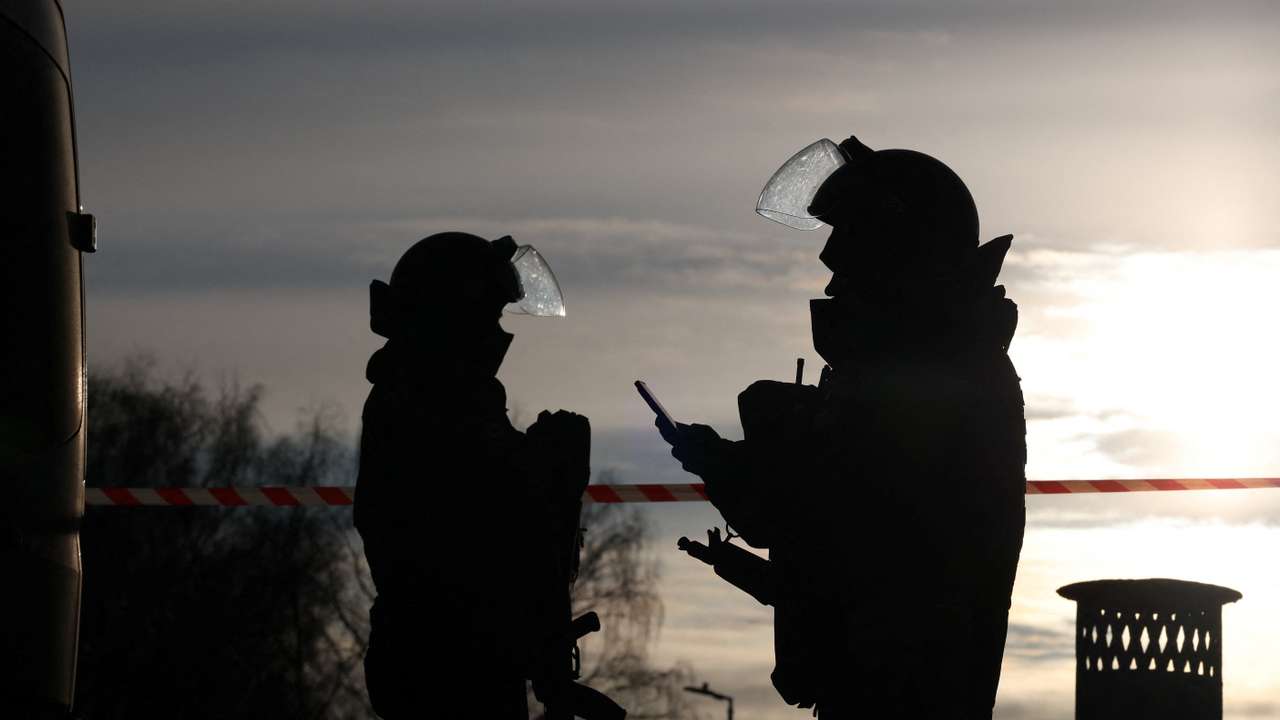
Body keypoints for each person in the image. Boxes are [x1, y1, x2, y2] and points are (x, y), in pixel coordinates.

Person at [665, 136, 1026, 718]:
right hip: (881, 682)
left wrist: (728, 466)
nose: (832, 276)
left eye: (851, 251)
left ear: (897, 254)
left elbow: (837, 520)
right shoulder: (935, 360)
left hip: (901, 693)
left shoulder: (933, 373)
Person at [354, 232, 610, 718]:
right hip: (446, 660)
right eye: (490, 316)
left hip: (452, 652)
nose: (496, 334)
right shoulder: (429, 396)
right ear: (454, 316)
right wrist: (552, 463)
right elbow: (487, 518)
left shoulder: (432, 388)